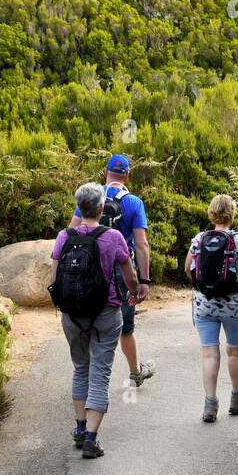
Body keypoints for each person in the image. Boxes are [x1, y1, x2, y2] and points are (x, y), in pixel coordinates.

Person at [51, 182, 143, 459]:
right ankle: (91, 437)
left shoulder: (63, 236)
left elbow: (53, 279)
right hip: (106, 313)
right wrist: (136, 291)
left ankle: (79, 428)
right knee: (100, 374)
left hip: (72, 315)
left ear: (79, 208)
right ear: (102, 208)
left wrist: (66, 306)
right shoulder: (113, 237)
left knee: (80, 369)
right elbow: (129, 276)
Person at [68, 153, 153, 388]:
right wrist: (143, 281)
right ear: (127, 175)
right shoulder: (133, 202)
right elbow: (141, 243)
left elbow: (71, 232)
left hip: (87, 268)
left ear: (105, 173)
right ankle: (135, 372)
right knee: (125, 327)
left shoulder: (90, 197)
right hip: (120, 270)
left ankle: (84, 376)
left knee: (88, 319)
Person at [185, 194, 238, 422]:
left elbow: (187, 267)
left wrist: (201, 287)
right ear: (232, 214)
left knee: (209, 353)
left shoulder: (198, 239)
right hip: (232, 303)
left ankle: (210, 405)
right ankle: (237, 399)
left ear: (211, 213)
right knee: (234, 351)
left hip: (204, 303)